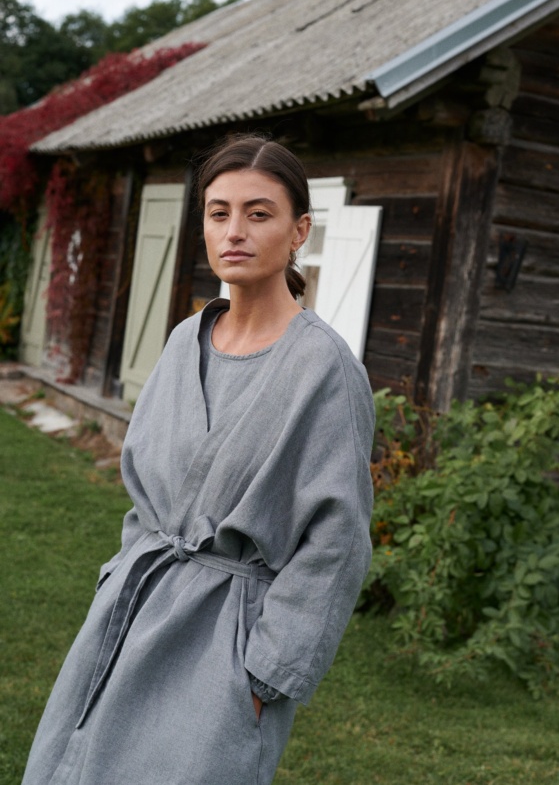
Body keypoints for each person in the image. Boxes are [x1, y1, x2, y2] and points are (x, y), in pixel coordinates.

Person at [22, 134, 375, 785]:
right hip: (129, 614)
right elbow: (145, 495)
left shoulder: (326, 371)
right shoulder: (186, 341)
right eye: (219, 212)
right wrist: (118, 577)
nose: (234, 230)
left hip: (225, 647)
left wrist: (266, 673)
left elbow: (338, 545)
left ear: (300, 230)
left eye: (258, 213)